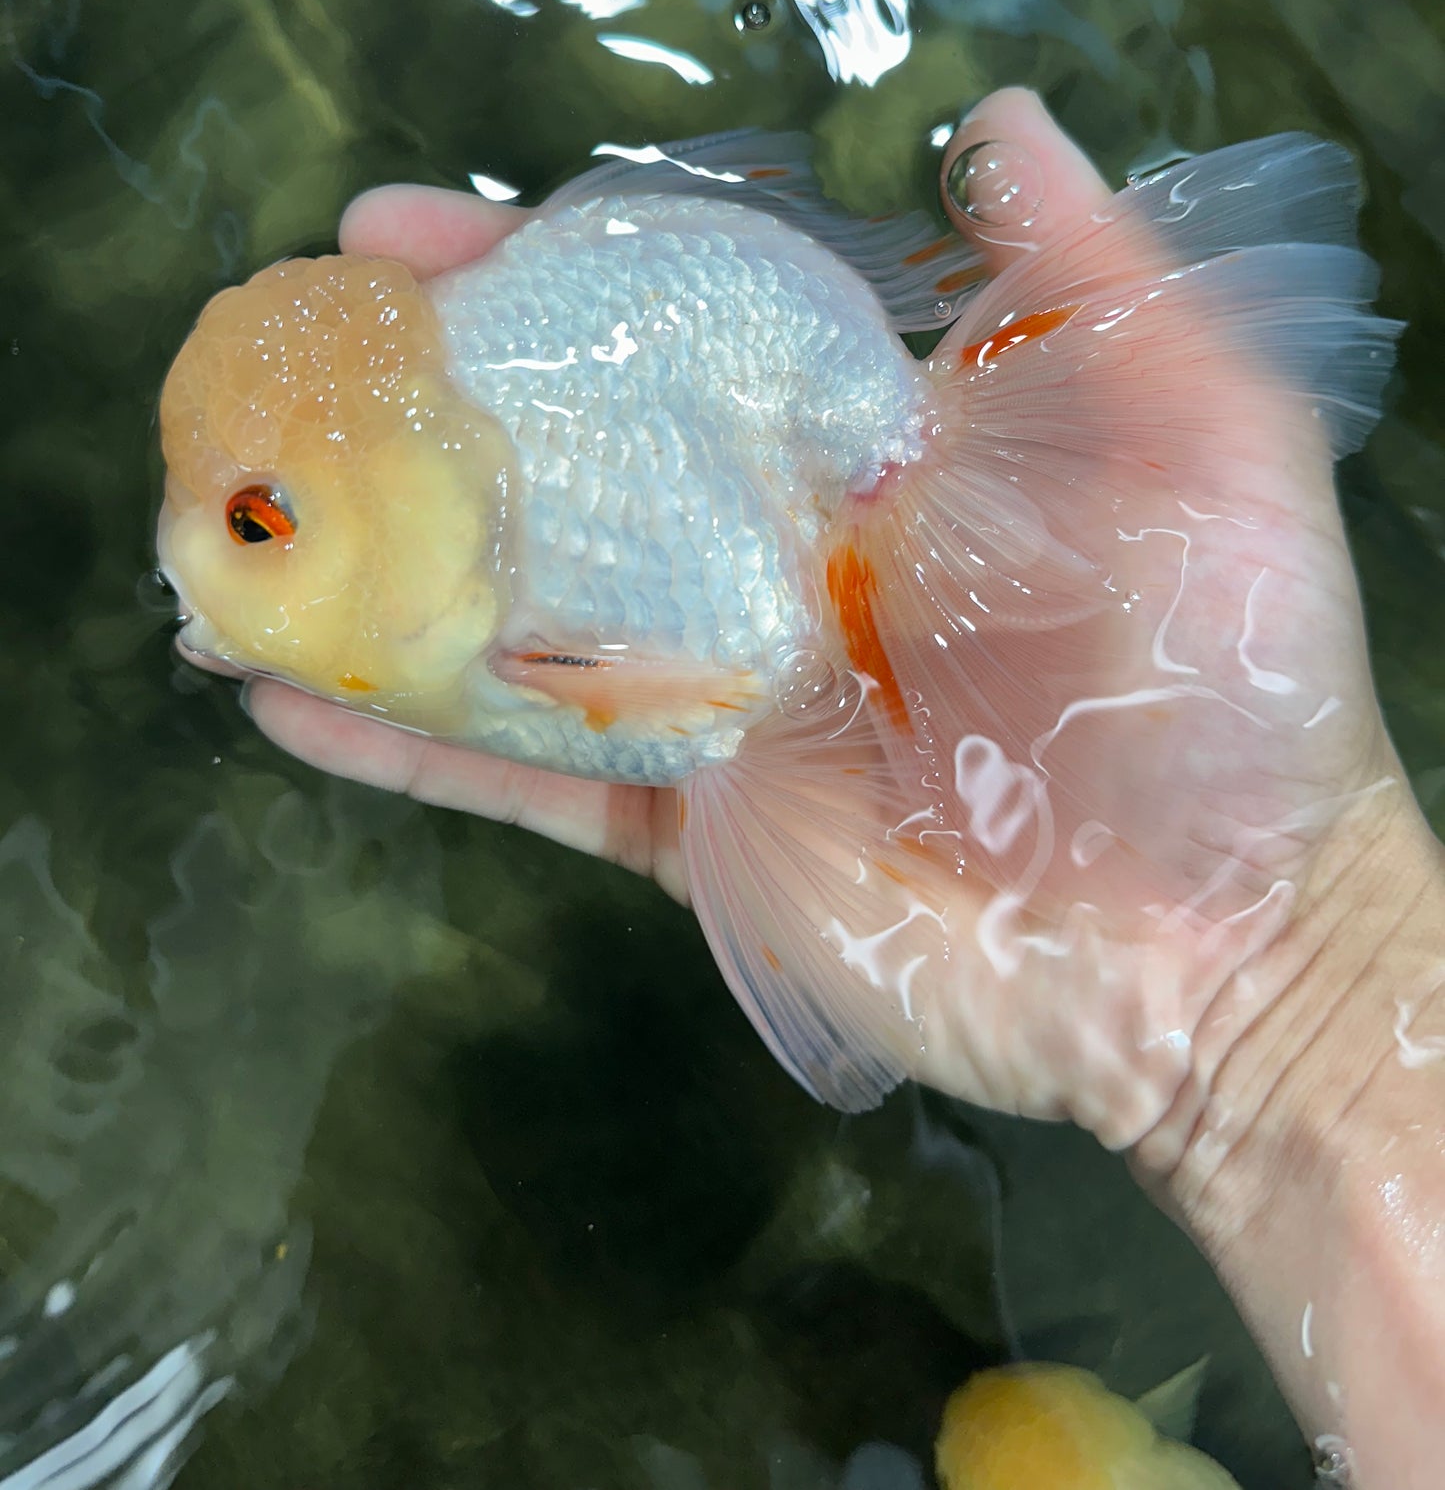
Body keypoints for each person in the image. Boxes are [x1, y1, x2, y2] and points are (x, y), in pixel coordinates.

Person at [241, 89, 1445, 1485]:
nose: (213, 552)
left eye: (255, 520)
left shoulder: (484, 560)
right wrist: (1287, 997)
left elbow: (680, 702)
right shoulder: (449, 518)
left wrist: (1281, 990)